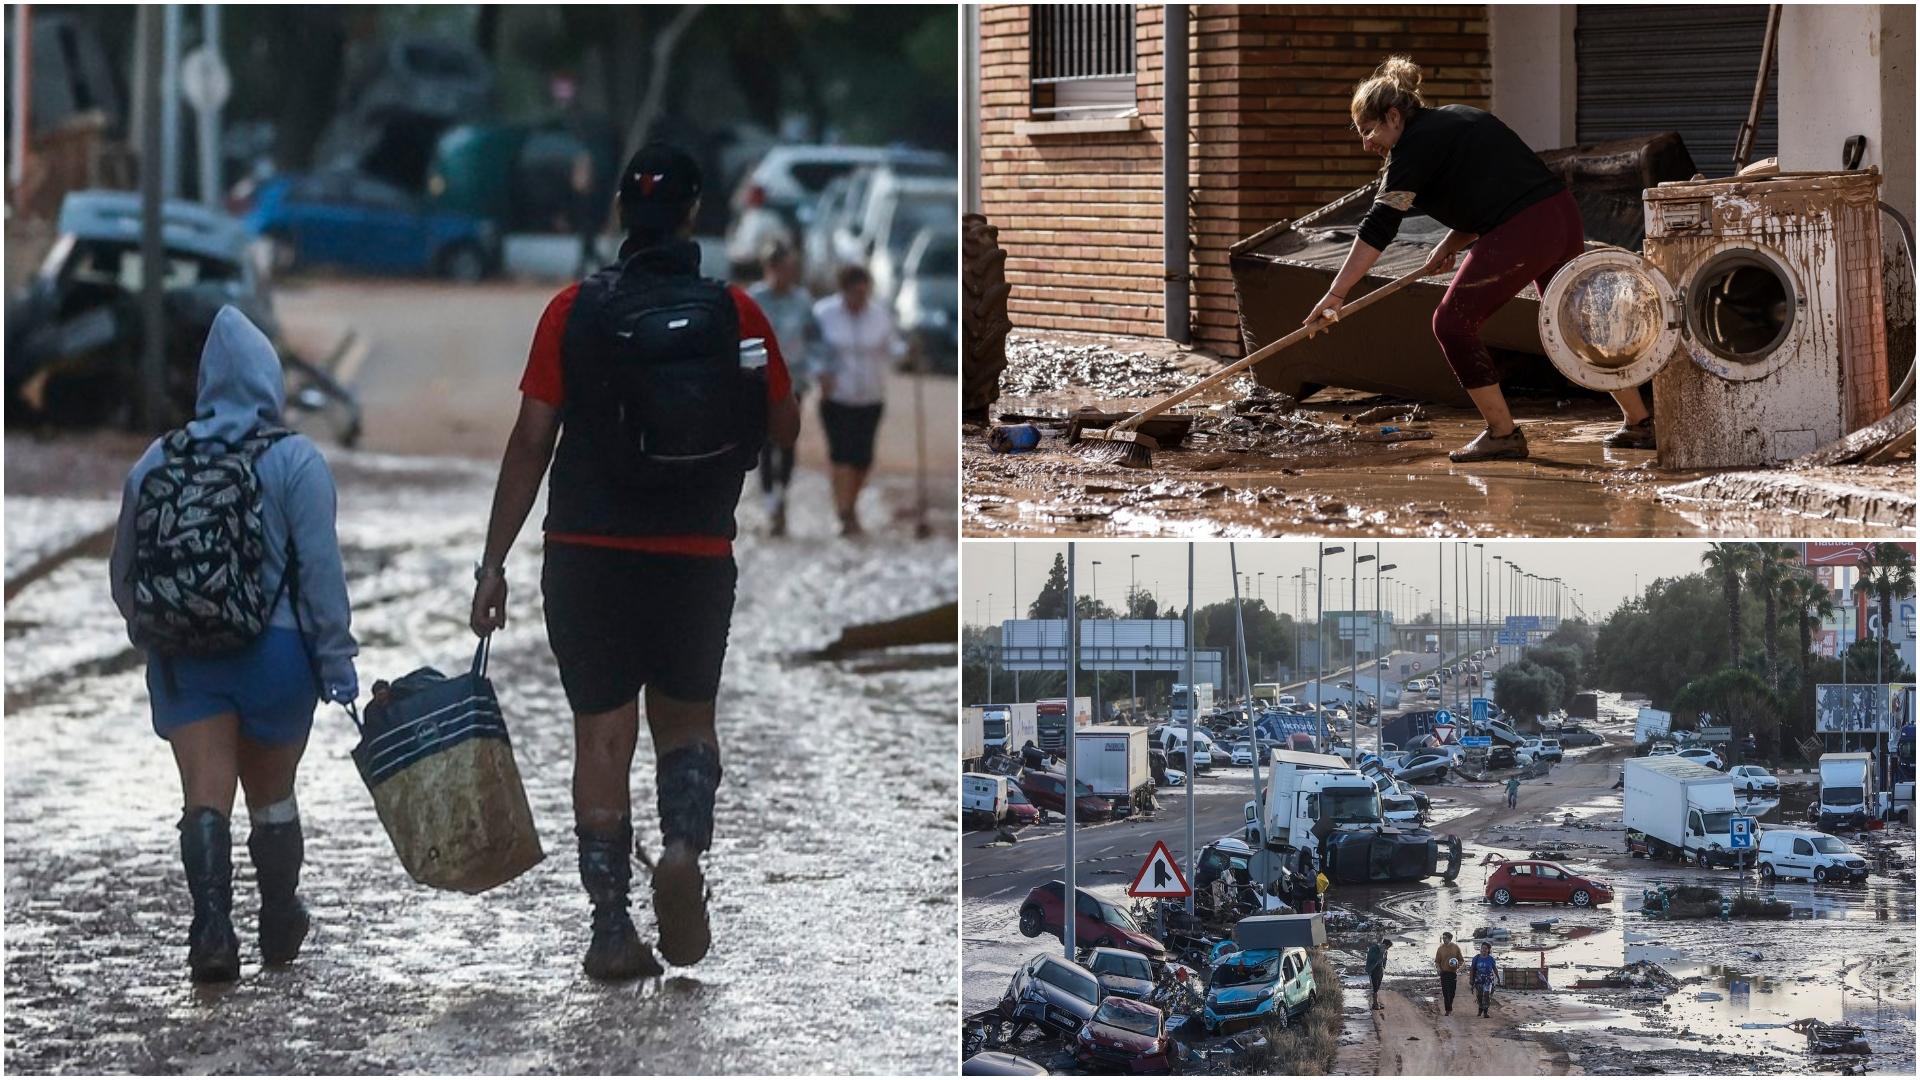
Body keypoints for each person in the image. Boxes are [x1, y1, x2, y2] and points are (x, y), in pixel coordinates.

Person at [469, 143, 801, 981]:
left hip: (585, 555)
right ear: (695, 216)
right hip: (693, 555)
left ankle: (612, 927)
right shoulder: (739, 315)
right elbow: (786, 430)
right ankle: (684, 847)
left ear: (620, 215)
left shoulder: (571, 311)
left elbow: (530, 442)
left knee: (600, 739)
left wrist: (492, 564)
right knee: (686, 726)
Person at [108, 306, 357, 983]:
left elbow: (125, 571)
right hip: (276, 659)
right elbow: (322, 578)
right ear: (268, 383)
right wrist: (336, 665)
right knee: (271, 793)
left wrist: (153, 634)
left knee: (204, 795)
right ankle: (278, 914)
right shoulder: (296, 461)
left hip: (187, 662)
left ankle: (212, 928)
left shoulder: (158, 459)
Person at [1303, 56, 1654, 462]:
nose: (1367, 144)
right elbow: (1494, 189)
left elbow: (1380, 225)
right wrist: (1453, 241)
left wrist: (1336, 293)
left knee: (1451, 324)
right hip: (1559, 215)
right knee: (1572, 320)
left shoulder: (1411, 149)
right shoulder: (1460, 118)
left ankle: (1502, 433)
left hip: (1526, 229)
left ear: (1394, 116)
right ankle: (1639, 422)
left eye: (1368, 131)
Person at [812, 264, 906, 537]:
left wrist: (909, 351)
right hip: (837, 396)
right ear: (844, 291)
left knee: (863, 459)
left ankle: (849, 506)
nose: (860, 299)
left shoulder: (880, 316)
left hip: (871, 396)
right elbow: (812, 350)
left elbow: (892, 348)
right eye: (855, 293)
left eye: (864, 293)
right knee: (841, 455)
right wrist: (820, 374)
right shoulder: (823, 314)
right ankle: (844, 513)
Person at [746, 242, 817, 537]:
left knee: (787, 441)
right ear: (769, 268)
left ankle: (782, 495)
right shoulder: (754, 298)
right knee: (764, 443)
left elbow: (814, 339)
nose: (788, 275)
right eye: (783, 269)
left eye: (792, 269)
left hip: (793, 381)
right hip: (759, 382)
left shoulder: (802, 301)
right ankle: (770, 502)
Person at [1435, 931, 1465, 1015]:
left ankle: (1449, 1005)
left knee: (1452, 992)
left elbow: (1461, 960)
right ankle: (1448, 1010)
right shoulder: (1440, 948)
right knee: (1445, 992)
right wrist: (1438, 969)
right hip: (1444, 973)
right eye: (1443, 938)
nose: (1444, 940)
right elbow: (1437, 961)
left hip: (1452, 973)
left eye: (1445, 938)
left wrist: (1458, 965)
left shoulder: (1455, 947)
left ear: (1450, 938)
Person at [1471, 941, 1499, 1016]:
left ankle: (1485, 1012)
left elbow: (1495, 968)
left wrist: (1498, 978)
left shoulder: (1491, 959)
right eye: (1482, 948)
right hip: (1479, 979)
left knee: (1487, 994)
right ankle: (1480, 1008)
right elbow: (1472, 969)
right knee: (1479, 996)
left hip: (1488, 980)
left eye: (1485, 948)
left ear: (1488, 950)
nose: (1483, 950)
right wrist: (1471, 979)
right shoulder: (1476, 958)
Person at [1365, 936, 1392, 1008]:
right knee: (1374, 986)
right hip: (1373, 969)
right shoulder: (1374, 949)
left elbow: (1385, 960)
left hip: (1380, 969)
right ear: (1384, 944)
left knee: (1378, 985)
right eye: (1387, 947)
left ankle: (1376, 1002)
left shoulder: (1385, 951)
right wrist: (1381, 953)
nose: (1387, 949)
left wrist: (1383, 967)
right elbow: (1371, 958)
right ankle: (1375, 1003)